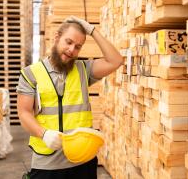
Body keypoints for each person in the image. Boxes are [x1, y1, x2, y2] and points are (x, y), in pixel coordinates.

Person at [16, 16, 123, 179]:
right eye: (68, 42)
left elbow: (116, 61)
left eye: (77, 47)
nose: (72, 50)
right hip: (47, 162)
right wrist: (43, 133)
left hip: (83, 160)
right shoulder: (31, 74)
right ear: (57, 37)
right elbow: (24, 113)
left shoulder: (83, 70)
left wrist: (92, 30)